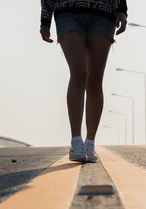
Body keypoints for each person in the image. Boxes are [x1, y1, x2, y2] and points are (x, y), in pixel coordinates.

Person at [40, 0, 128, 163]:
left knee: (94, 80)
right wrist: (45, 19)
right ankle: (75, 141)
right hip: (67, 11)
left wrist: (122, 9)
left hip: (104, 13)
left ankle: (89, 143)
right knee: (79, 72)